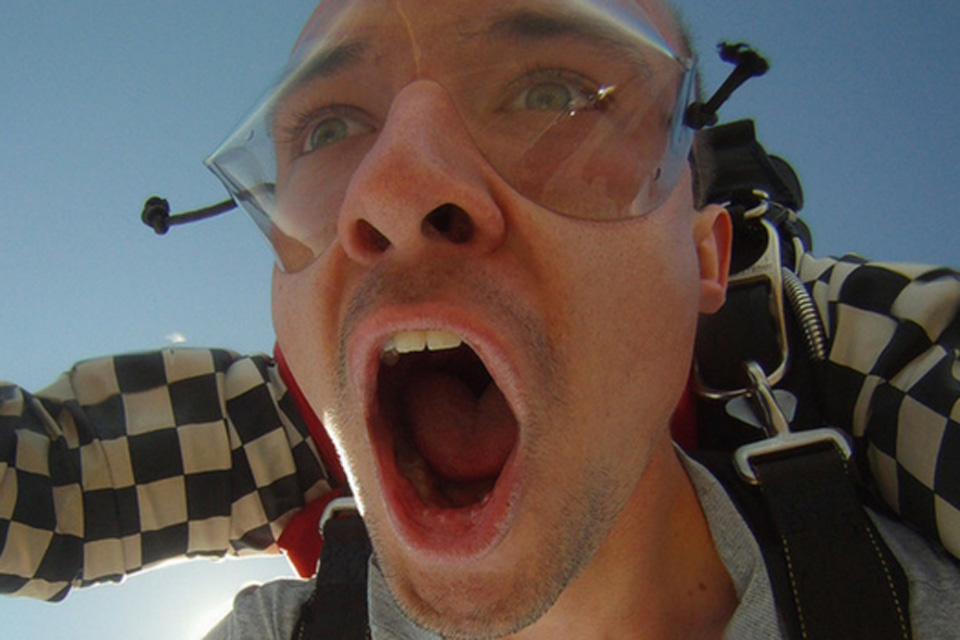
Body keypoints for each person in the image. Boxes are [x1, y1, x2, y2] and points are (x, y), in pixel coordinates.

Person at [2, 1, 959, 638]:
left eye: (556, 95)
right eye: (328, 128)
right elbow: (45, 483)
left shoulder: (824, 339)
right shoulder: (295, 422)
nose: (395, 188)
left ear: (712, 259)